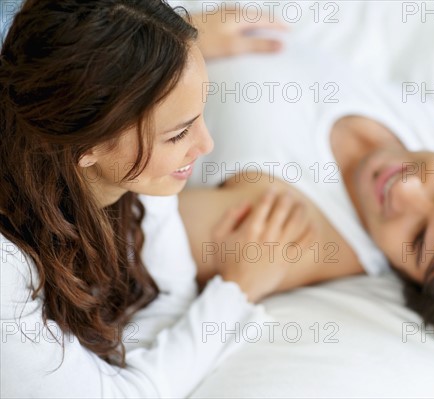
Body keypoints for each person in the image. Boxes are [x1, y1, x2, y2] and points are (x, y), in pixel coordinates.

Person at [179, 41, 434, 358]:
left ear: (415, 284)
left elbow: (121, 228)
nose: (405, 190)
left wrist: (183, 46)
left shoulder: (288, 234)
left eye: (417, 238)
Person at [0, 1, 305, 397]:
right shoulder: (7, 271)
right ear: (86, 144)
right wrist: (237, 291)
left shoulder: (135, 180)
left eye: (198, 115)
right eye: (178, 135)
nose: (206, 145)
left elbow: (166, 301)